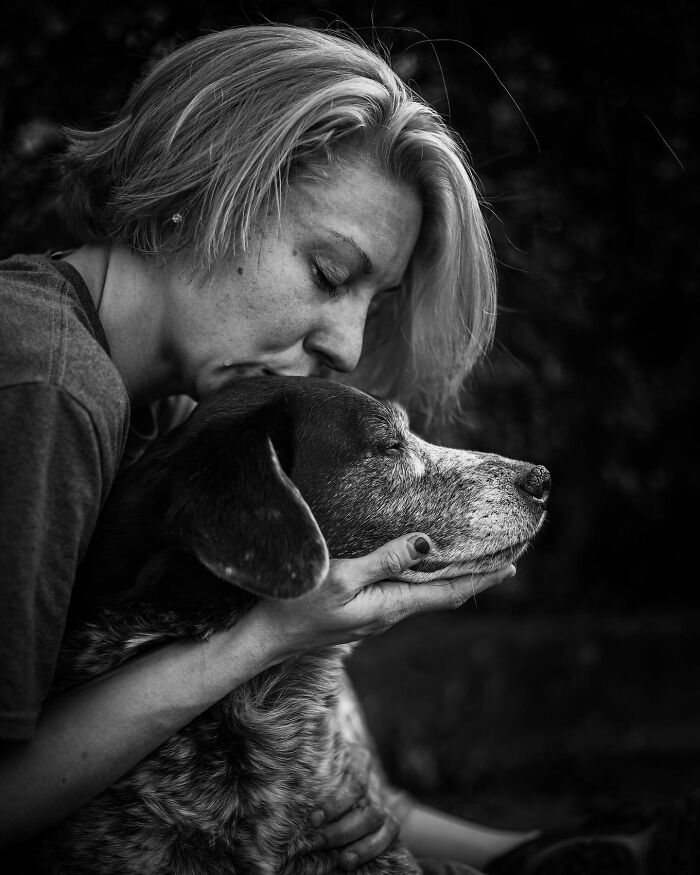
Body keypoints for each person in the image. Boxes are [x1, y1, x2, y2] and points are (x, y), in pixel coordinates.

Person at [1, 23, 693, 875]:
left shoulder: (161, 406)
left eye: (375, 299)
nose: (348, 344)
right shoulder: (45, 380)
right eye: (329, 273)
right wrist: (262, 638)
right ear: (199, 187)